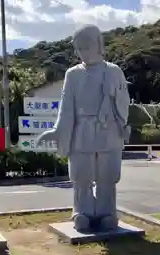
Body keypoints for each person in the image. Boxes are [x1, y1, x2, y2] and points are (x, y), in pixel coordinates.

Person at [36, 24, 130, 232]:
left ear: (99, 45)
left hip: (108, 128)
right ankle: (82, 212)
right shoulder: (73, 74)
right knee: (81, 175)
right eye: (79, 49)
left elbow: (124, 102)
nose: (82, 53)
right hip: (82, 130)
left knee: (107, 175)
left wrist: (113, 95)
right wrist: (58, 131)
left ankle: (107, 212)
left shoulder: (114, 71)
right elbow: (66, 107)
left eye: (86, 47)